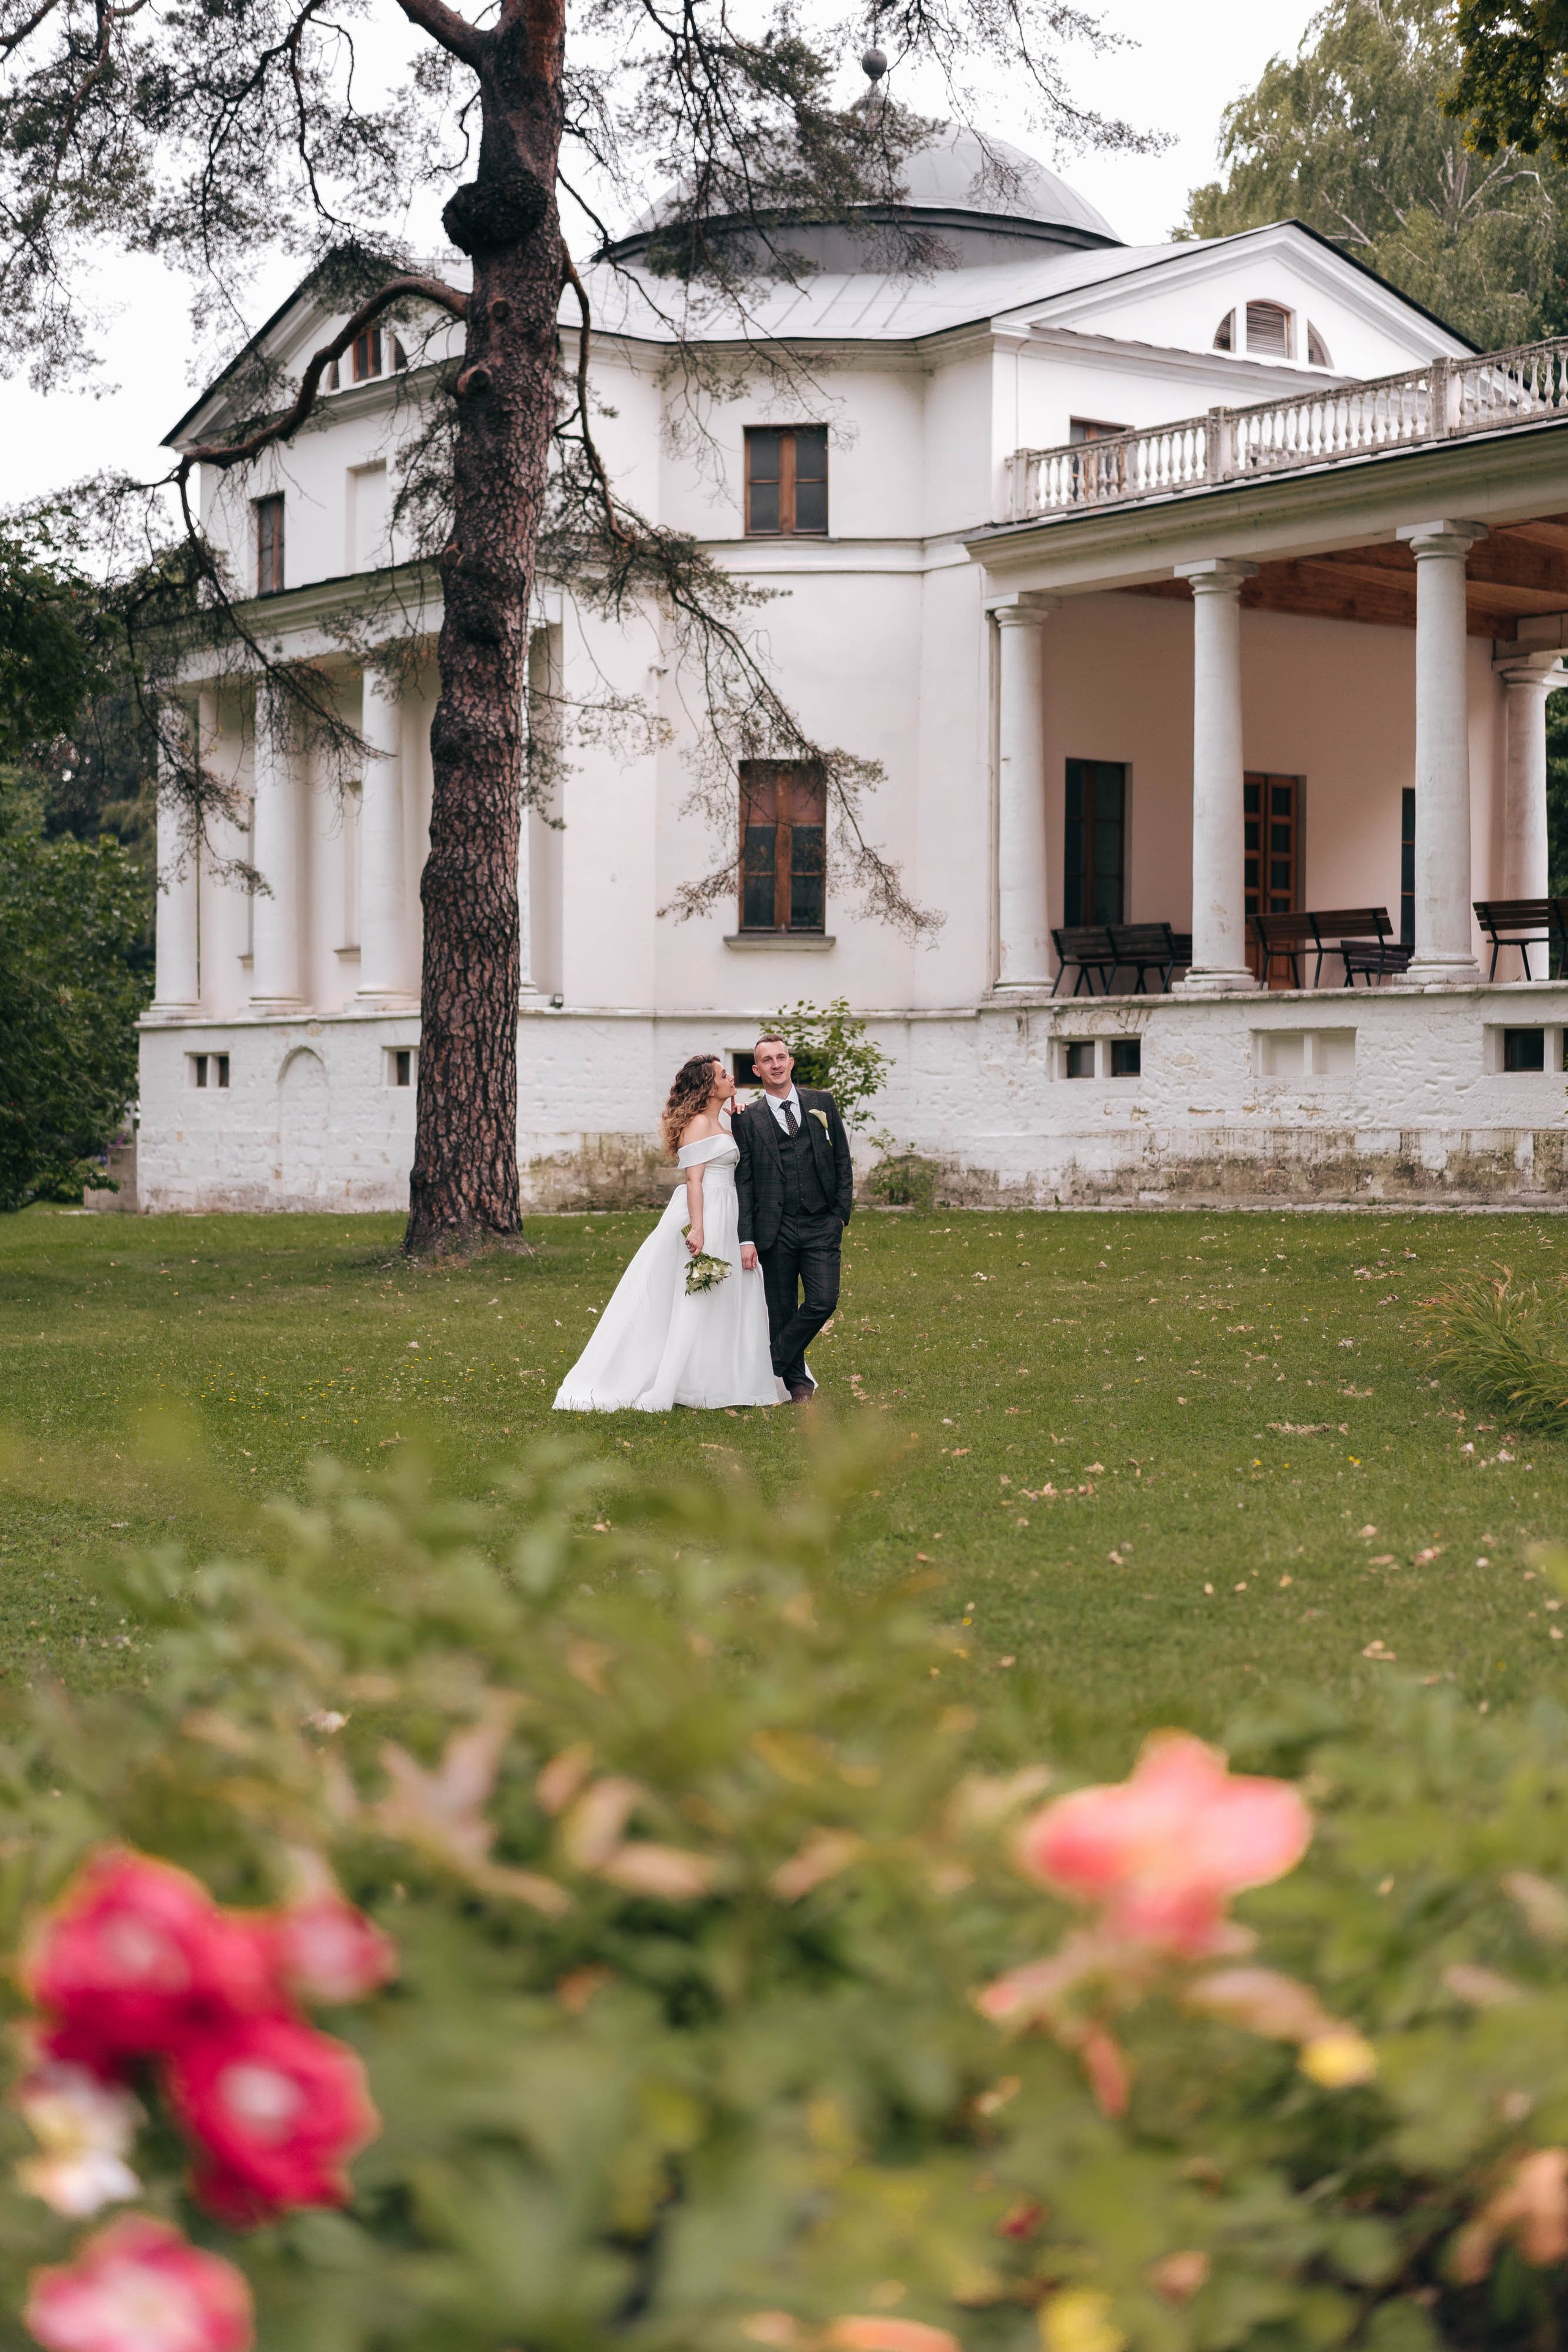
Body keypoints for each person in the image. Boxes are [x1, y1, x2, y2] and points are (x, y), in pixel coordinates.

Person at [553, 1054, 778, 1412]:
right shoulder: (698, 1124)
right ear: (709, 1087)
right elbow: (694, 1180)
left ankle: (725, 1377)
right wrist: (699, 1228)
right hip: (707, 1210)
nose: (730, 1077)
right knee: (698, 1294)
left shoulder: (721, 1121)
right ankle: (681, 1380)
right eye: (723, 1074)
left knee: (728, 1293)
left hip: (730, 1209)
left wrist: (740, 1118)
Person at [733, 1030, 853, 1404]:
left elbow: (842, 1159)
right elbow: (744, 1181)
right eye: (767, 1060)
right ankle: (799, 1385)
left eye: (781, 1057)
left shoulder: (822, 1103)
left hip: (822, 1222)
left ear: (791, 1061)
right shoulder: (748, 1118)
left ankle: (773, 1360)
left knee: (823, 1300)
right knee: (782, 1309)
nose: (776, 1064)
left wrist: (840, 1214)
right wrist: (746, 1237)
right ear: (757, 1070)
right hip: (775, 1228)